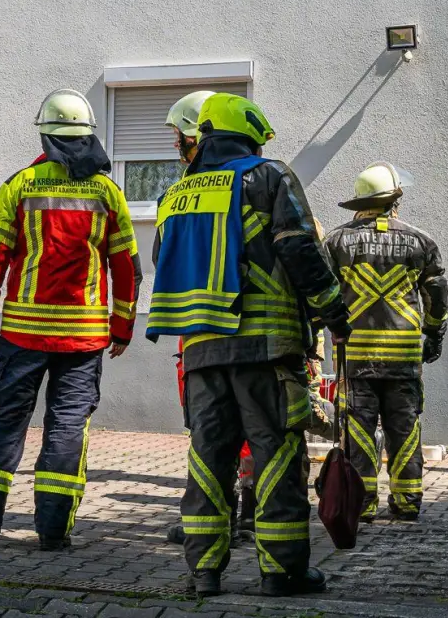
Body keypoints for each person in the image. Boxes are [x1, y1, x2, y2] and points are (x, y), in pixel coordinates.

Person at [146, 92, 347, 598]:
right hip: (264, 347)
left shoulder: (178, 195)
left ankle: (204, 572)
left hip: (199, 350)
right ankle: (282, 572)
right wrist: (332, 312)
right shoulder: (269, 176)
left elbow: (166, 259)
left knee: (208, 459)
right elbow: (299, 245)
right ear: (251, 136)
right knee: (277, 455)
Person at [0, 90, 142, 553]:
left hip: (22, 335)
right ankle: (54, 531)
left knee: (4, 423)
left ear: (45, 134)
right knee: (68, 428)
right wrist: (121, 328)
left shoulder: (20, 185)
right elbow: (127, 268)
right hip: (85, 339)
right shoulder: (108, 192)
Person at [322, 163, 448, 522]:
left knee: (358, 429)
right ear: (395, 199)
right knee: (404, 428)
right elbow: (436, 294)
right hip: (404, 357)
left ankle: (362, 505)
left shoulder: (335, 242)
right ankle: (407, 502)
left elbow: (319, 295)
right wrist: (434, 333)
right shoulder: (421, 243)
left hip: (355, 356)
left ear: (360, 201)